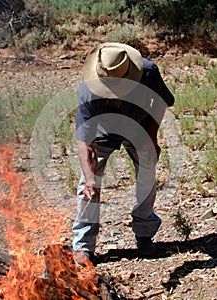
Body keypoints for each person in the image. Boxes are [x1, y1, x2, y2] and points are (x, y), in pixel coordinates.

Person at [72, 42, 174, 264]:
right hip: (103, 131)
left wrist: (152, 137)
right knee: (87, 187)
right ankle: (83, 245)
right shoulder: (88, 90)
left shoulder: (148, 73)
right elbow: (84, 142)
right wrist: (91, 180)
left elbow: (159, 104)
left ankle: (145, 233)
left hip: (139, 126)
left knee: (147, 175)